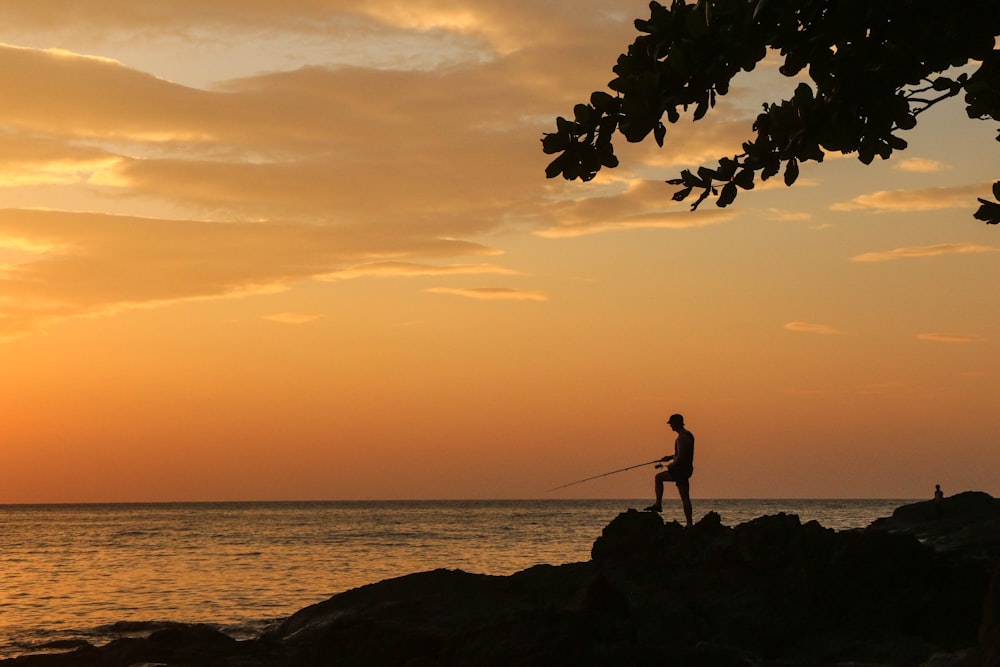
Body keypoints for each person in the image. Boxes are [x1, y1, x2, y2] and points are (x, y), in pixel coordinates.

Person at [645, 413, 695, 527]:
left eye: (671, 423)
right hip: (685, 470)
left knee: (659, 478)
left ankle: (658, 505)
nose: (670, 426)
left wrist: (671, 465)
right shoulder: (688, 435)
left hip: (681, 471)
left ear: (676, 424)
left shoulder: (682, 437)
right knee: (685, 497)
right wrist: (670, 457)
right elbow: (681, 454)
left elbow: (682, 457)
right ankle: (689, 523)